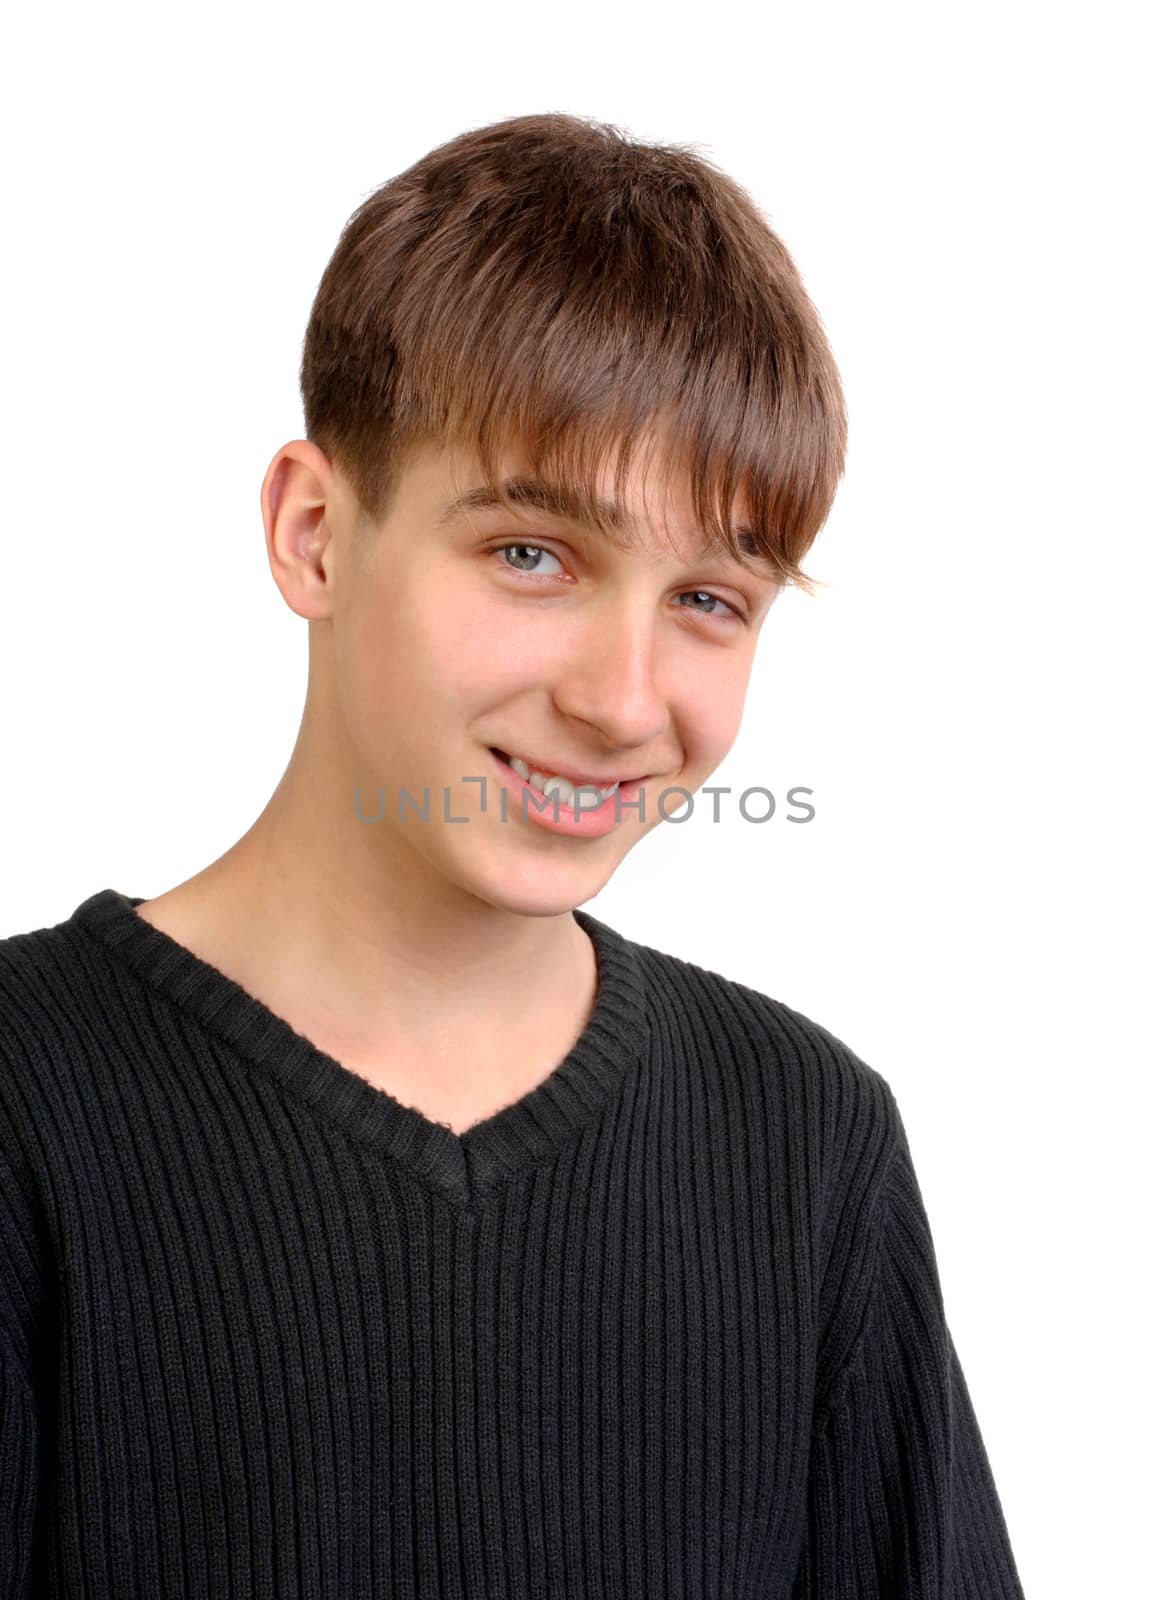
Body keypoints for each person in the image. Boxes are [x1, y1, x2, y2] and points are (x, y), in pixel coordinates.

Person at [0, 112, 1025, 1595]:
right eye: (531, 555)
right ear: (314, 531)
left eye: (710, 600)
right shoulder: (32, 1105)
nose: (618, 700)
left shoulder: (805, 1141)